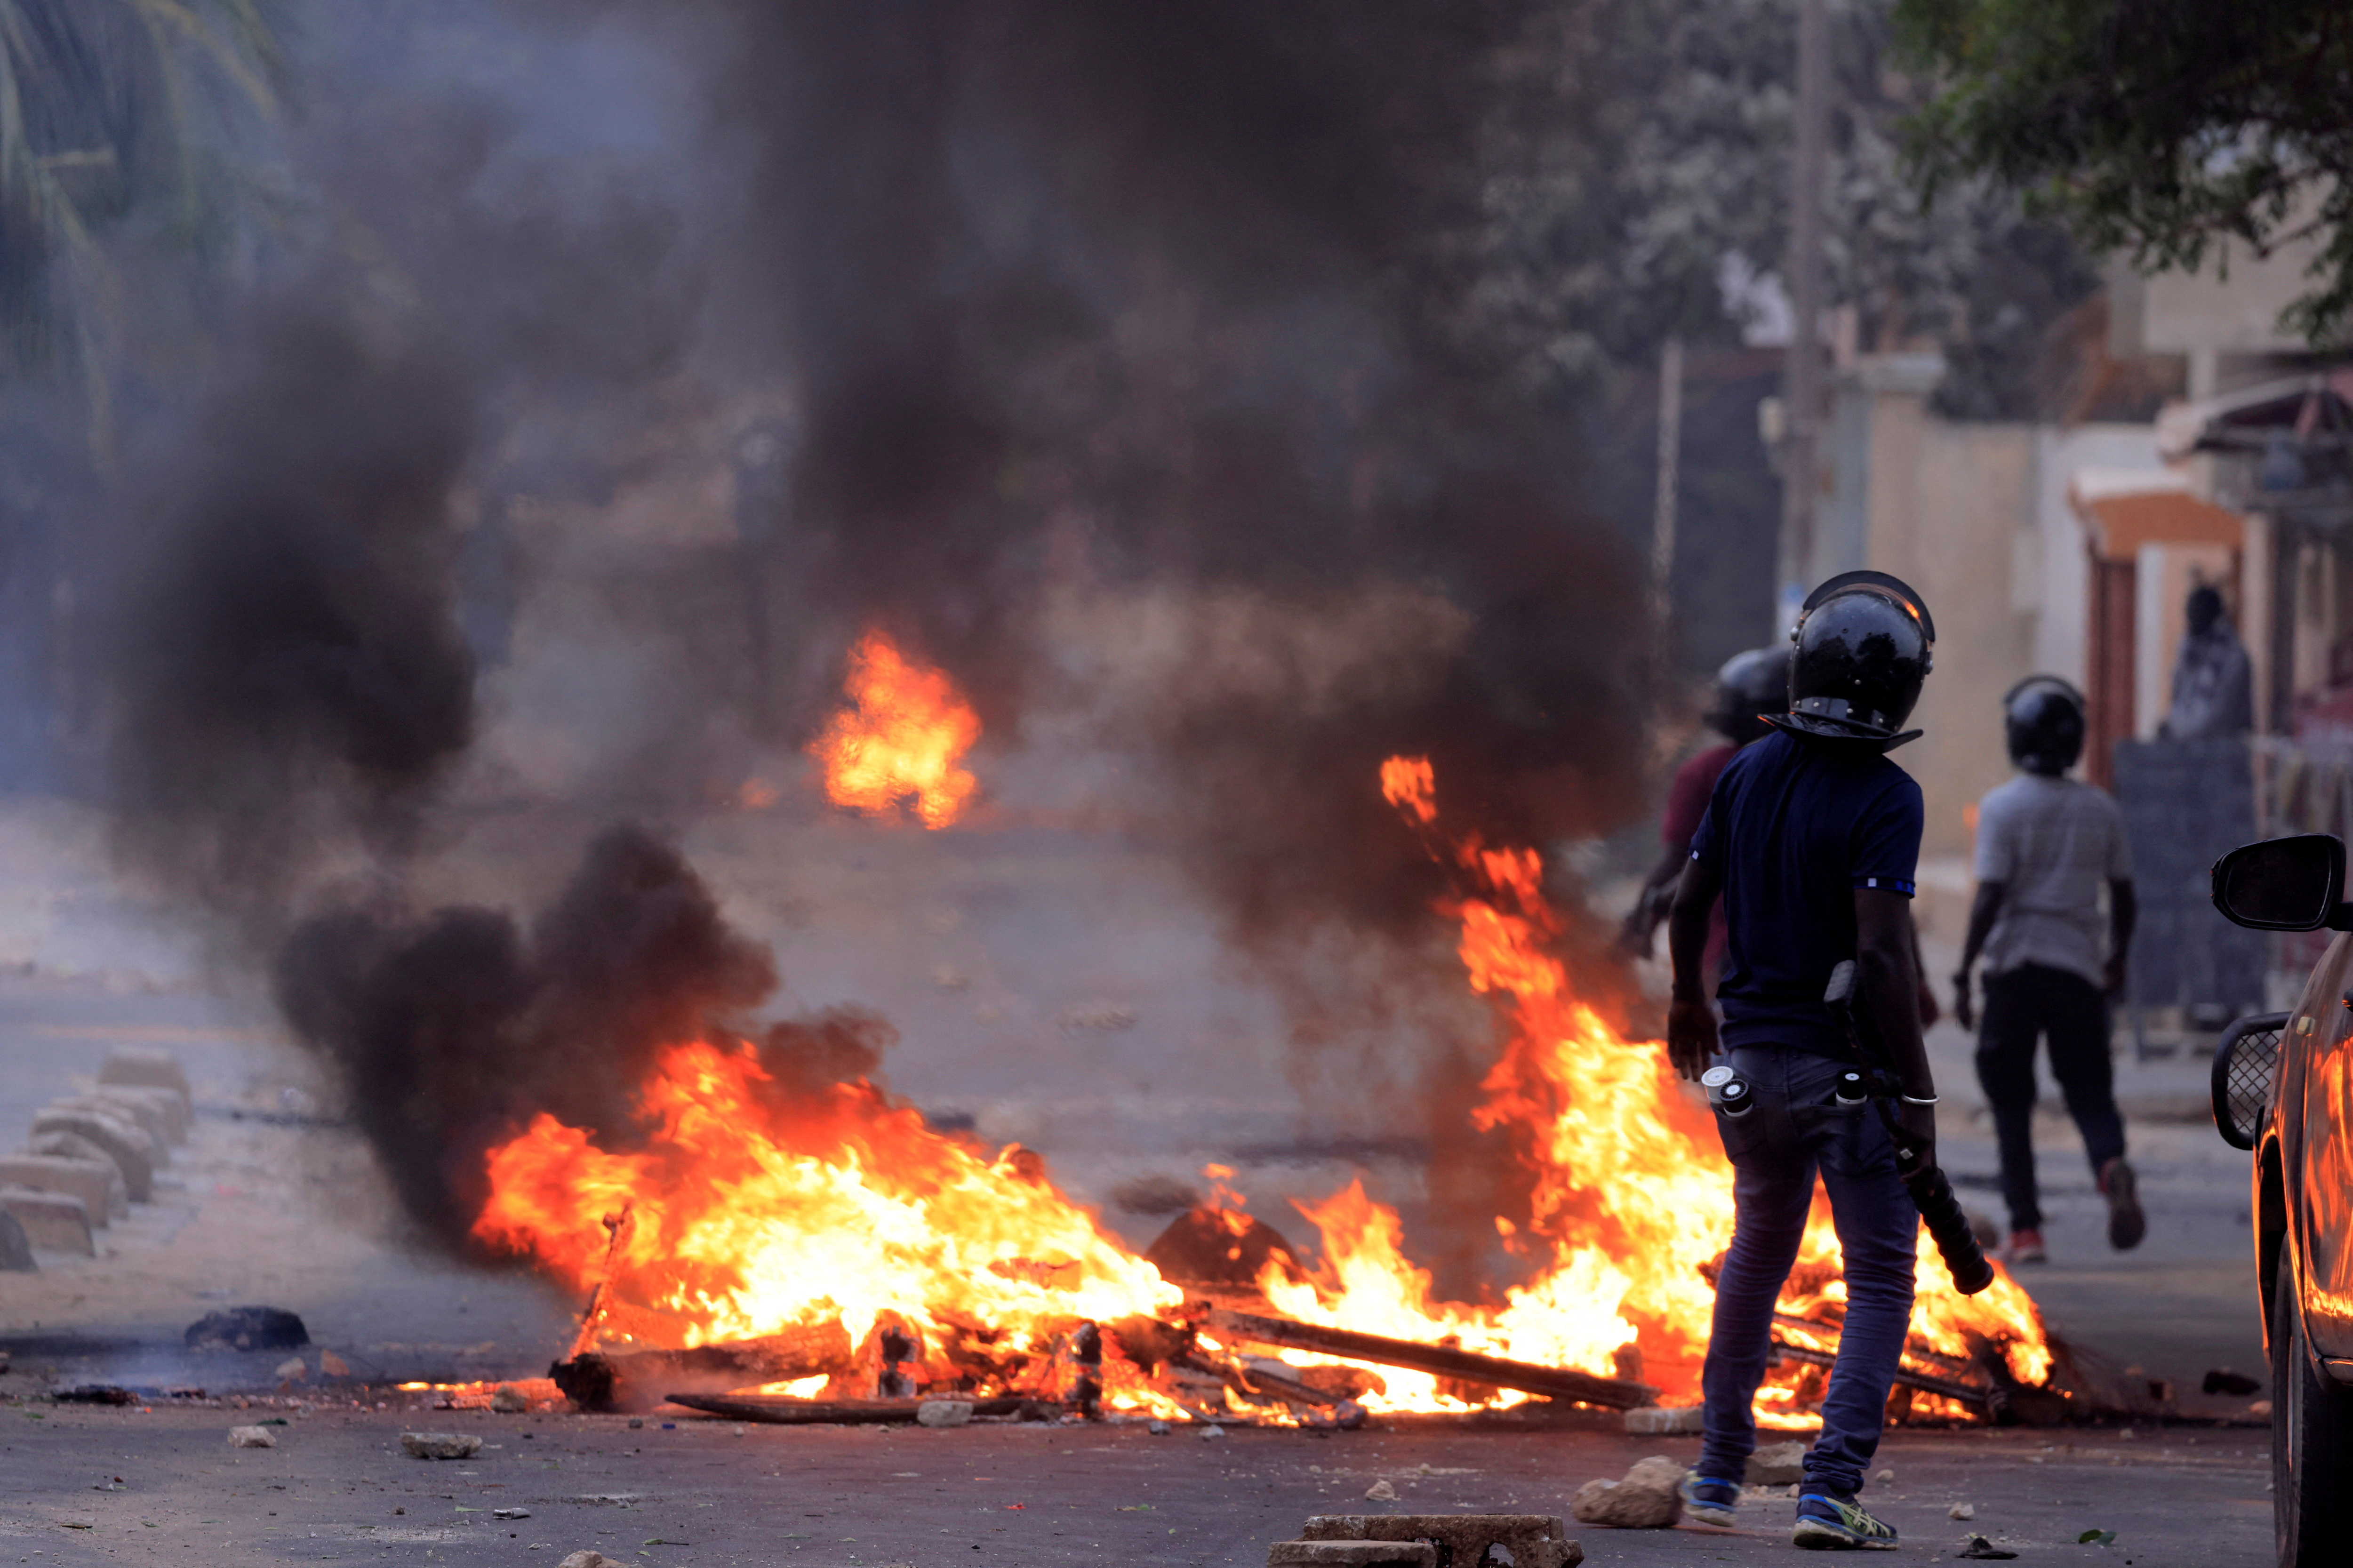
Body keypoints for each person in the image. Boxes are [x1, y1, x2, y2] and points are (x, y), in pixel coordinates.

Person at [1666, 571, 1938, 1552]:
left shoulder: (1741, 772)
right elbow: (1878, 955)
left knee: (1754, 1259)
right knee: (1877, 1276)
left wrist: (1684, 1003)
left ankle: (1715, 1476)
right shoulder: (1887, 795)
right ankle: (1828, 1492)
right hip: (1843, 1076)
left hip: (1745, 1068)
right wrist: (1918, 1097)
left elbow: (1686, 905)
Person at [1952, 676, 2143, 1265]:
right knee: (2088, 1088)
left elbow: (1989, 897)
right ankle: (2109, 1163)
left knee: (2011, 1104)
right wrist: (2115, 958)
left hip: (2015, 968)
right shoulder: (2099, 808)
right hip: (2077, 970)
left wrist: (1962, 971)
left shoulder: (2003, 808)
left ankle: (2027, 1230)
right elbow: (2125, 895)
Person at [1619, 647, 1788, 972]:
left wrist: (1639, 923)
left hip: (1729, 950)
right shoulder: (1829, 775)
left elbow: (1677, 858)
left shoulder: (1709, 771)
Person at [2161, 584, 2252, 739]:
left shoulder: (2230, 656)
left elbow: (2217, 715)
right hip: (2190, 745)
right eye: (2189, 613)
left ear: (2212, 615)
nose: (2191, 619)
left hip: (2221, 747)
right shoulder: (2190, 649)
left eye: (2197, 613)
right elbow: (2180, 697)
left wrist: (2179, 731)